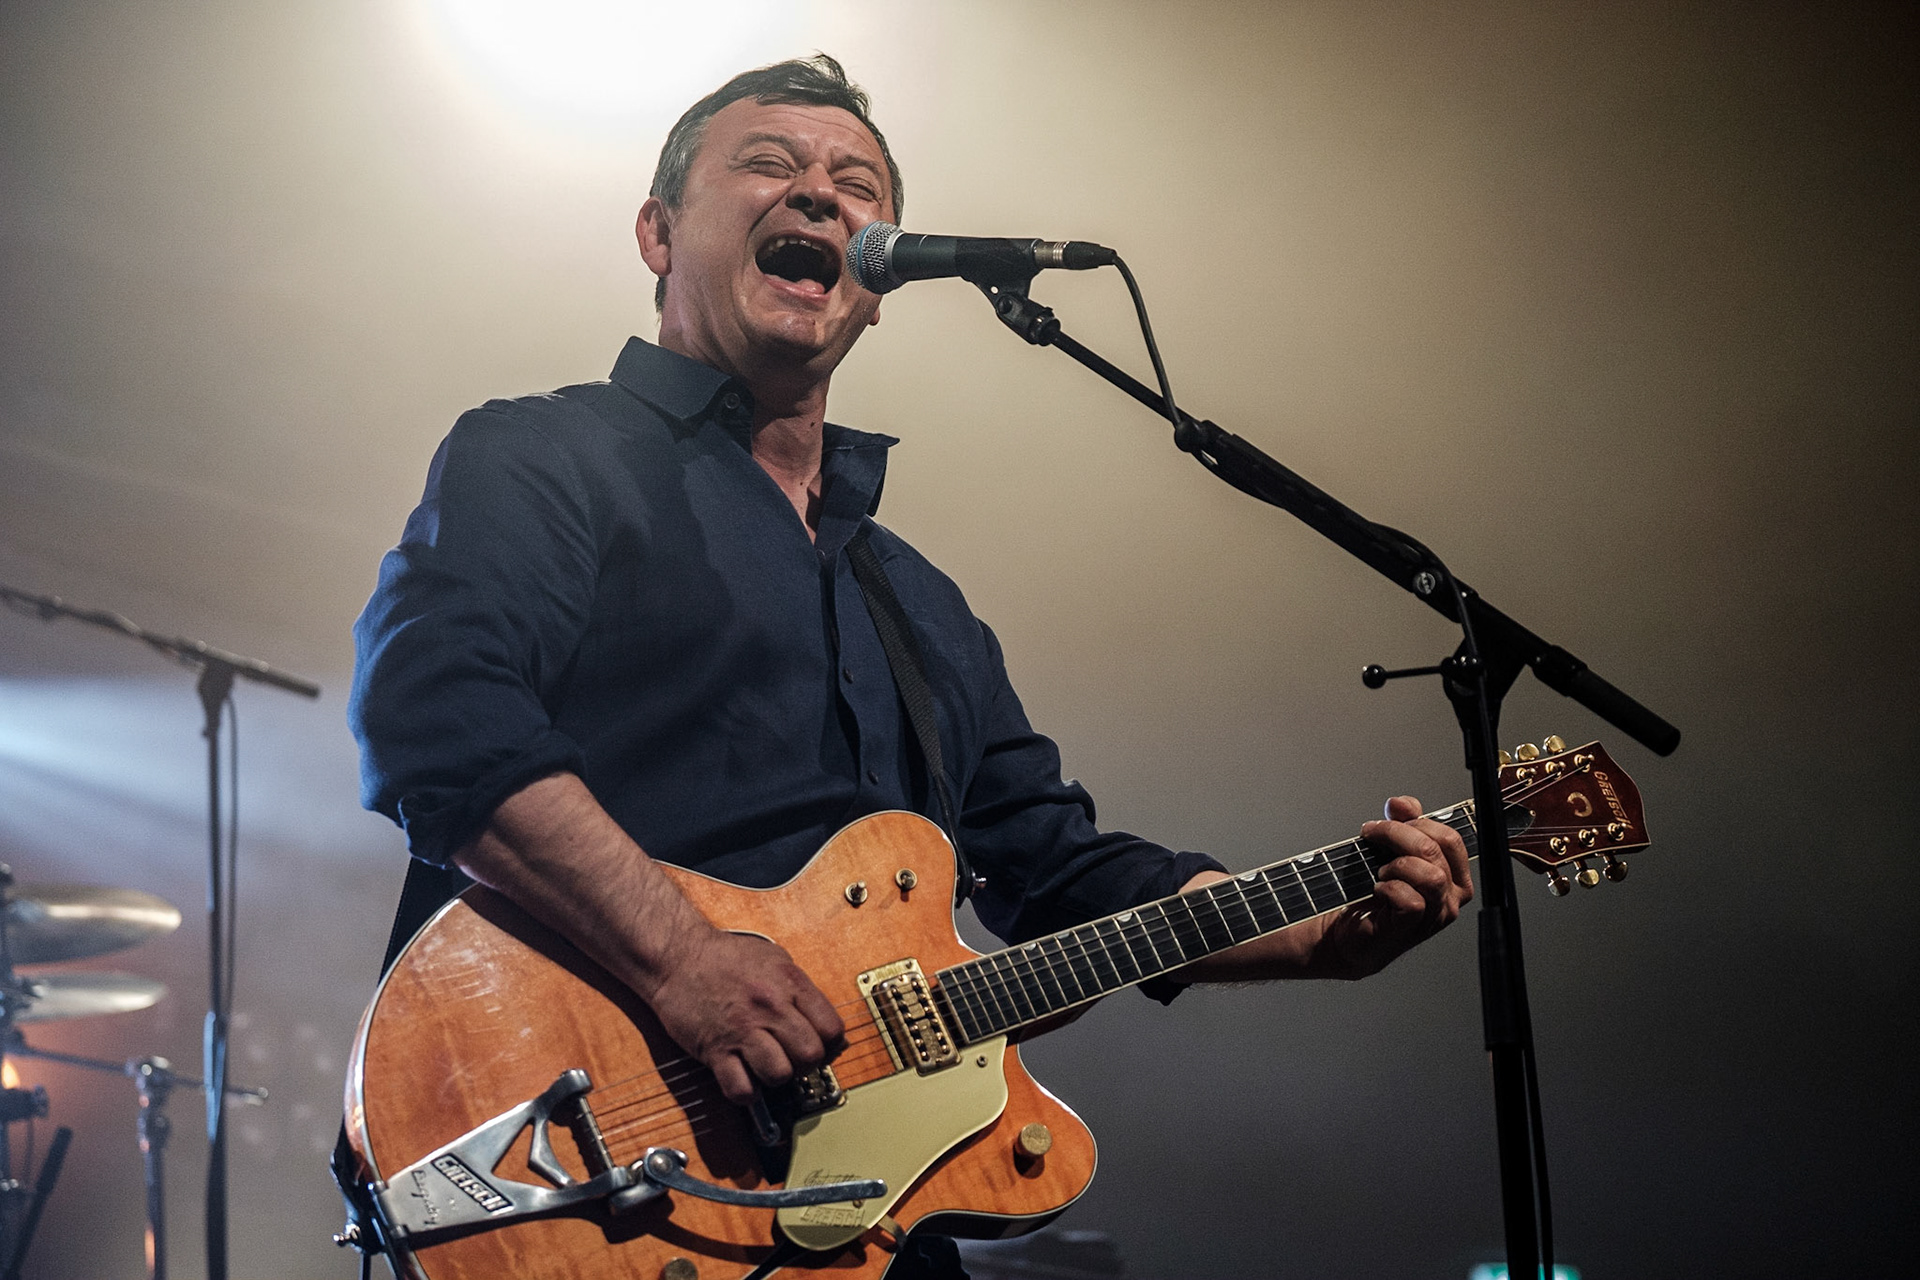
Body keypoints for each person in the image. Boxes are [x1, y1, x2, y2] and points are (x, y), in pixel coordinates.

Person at [349, 54, 1472, 1278]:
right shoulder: (544, 455)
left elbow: (1060, 868)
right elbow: (437, 724)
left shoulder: (920, 602)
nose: (818, 195)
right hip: (585, 1159)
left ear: (877, 284)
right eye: (768, 164)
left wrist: (1318, 933)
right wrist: (683, 958)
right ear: (658, 233)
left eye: (857, 185)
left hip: (861, 1210)